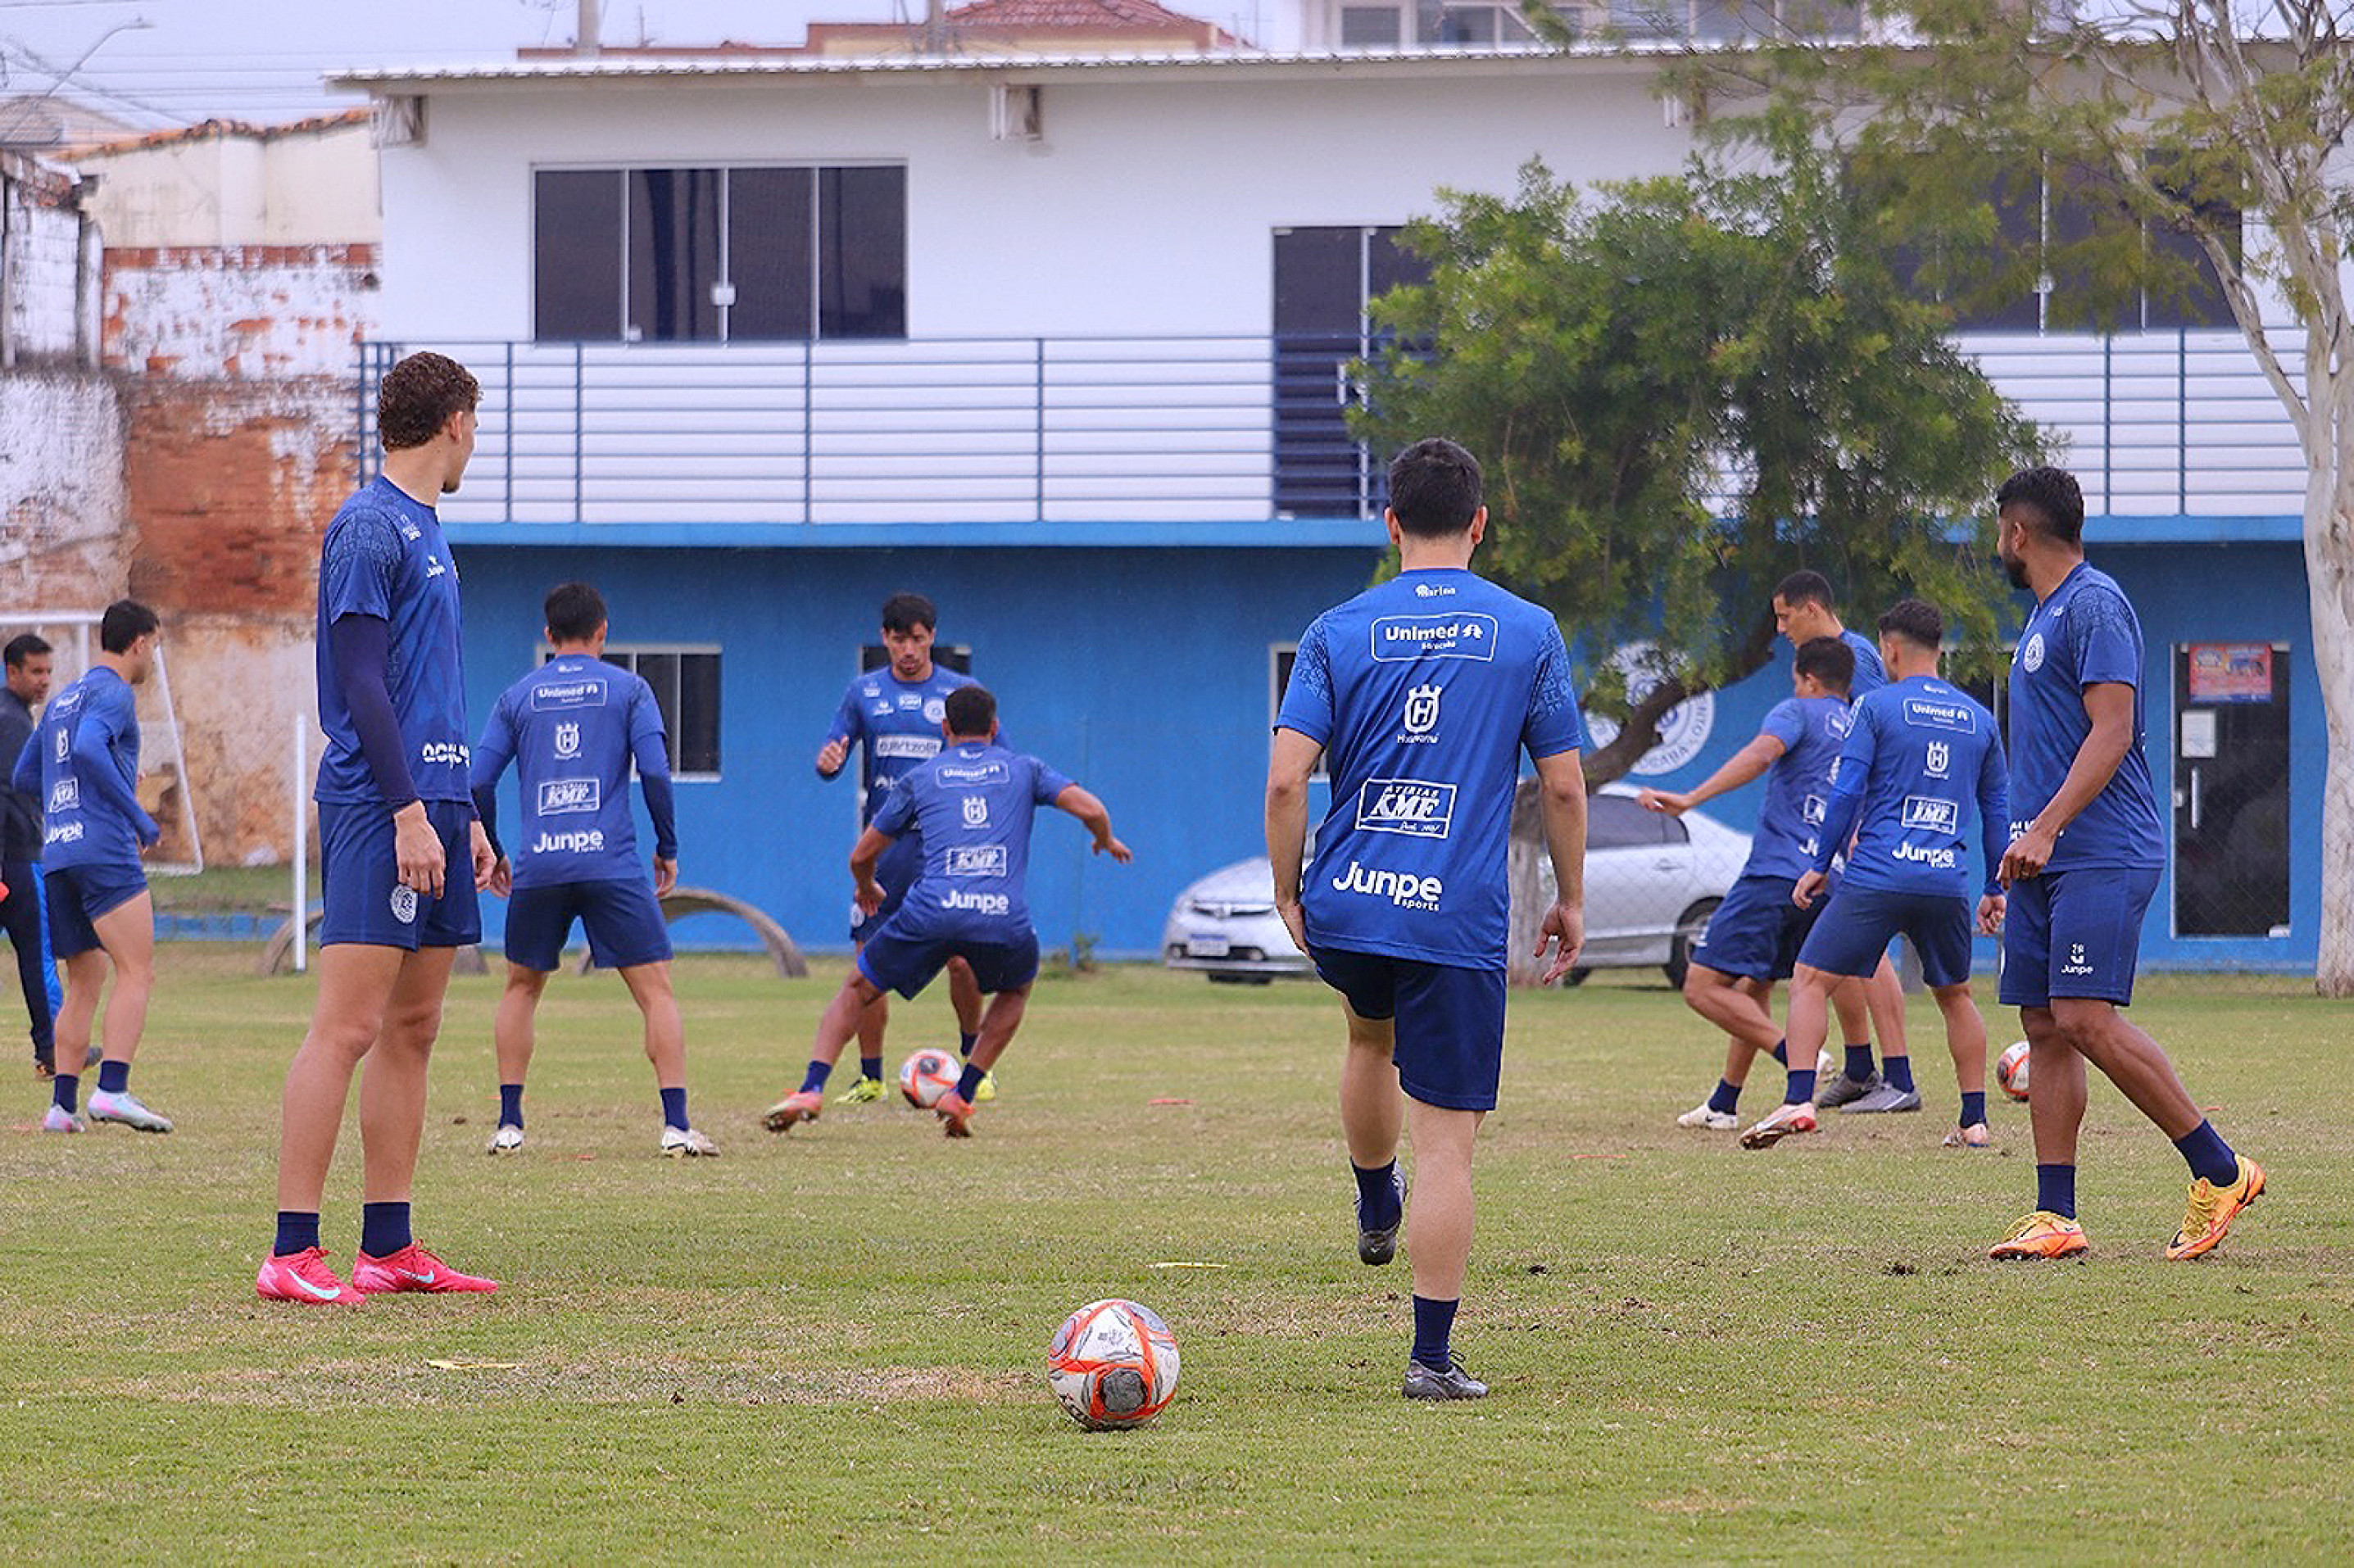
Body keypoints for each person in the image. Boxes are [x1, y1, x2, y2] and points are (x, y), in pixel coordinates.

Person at [1268, 437, 1588, 1403]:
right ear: (1479, 524)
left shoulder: (1335, 629)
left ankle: (1374, 1204)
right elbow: (1564, 789)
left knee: (1369, 1038)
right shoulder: (1527, 630)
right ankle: (1429, 1358)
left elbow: (1288, 777)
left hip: (1351, 899)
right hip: (1452, 914)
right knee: (1445, 1141)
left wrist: (1289, 890)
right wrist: (1570, 900)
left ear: (1391, 523)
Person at [257, 350, 500, 1307]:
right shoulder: (367, 527)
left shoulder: (428, 530)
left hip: (436, 802)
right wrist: (406, 809)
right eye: (475, 422)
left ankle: (388, 1245)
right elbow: (359, 683)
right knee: (347, 1025)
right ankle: (290, 1251)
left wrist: (462, 811)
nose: (477, 439)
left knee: (416, 1025)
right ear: (449, 423)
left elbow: (430, 693)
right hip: (375, 804)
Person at [1985, 466, 2262, 1262]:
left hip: (2099, 849)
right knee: (2042, 1026)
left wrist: (2042, 828)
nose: (1996, 544)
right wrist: (2017, 844)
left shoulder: (2094, 603)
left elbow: (2111, 731)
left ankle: (2219, 1169)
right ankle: (2055, 1216)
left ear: (2016, 532)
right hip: (2043, 856)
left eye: (1997, 531)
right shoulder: (2045, 615)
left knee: (2080, 1018)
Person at [764, 683, 1127, 1137]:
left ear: (944, 728)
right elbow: (1092, 808)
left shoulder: (922, 777)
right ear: (994, 728)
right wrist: (1103, 838)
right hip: (1002, 914)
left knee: (857, 988)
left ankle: (812, 1088)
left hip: (931, 910)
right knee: (1014, 992)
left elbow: (861, 856)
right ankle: (963, 1093)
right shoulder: (1025, 768)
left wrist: (866, 887)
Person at [1738, 600, 2009, 1151]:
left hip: (1878, 875)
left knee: (1809, 978)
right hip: (1944, 880)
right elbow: (1996, 807)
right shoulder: (1978, 719)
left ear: (1888, 648)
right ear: (1937, 649)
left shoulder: (1876, 707)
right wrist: (1994, 887)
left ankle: (1797, 1100)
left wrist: (1818, 864)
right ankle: (1973, 1121)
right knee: (1955, 995)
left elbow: (1845, 792)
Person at [471, 581, 715, 1158]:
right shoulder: (630, 690)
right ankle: (676, 1126)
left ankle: (510, 1126)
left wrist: (498, 849)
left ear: (549, 635)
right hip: (612, 861)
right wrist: (668, 846)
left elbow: (478, 780)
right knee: (656, 993)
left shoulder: (518, 696)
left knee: (521, 987)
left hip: (541, 863)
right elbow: (655, 772)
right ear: (603, 632)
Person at [1640, 638, 1905, 1128]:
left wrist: (1690, 797)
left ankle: (1797, 1056)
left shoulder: (1796, 711)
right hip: (1825, 882)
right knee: (1755, 984)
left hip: (1775, 874)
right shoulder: (1858, 727)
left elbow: (1763, 754)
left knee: (1702, 986)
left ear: (1805, 678)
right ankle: (1724, 1104)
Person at [814, 593, 989, 1104]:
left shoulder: (962, 693)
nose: (908, 648)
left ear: (932, 636)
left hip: (945, 850)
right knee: (869, 964)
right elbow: (833, 753)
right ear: (885, 639)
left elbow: (997, 761)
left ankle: (977, 1066)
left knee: (962, 960)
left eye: (917, 637)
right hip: (886, 851)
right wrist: (828, 762)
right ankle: (871, 1077)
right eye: (897, 638)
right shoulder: (863, 693)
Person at [16, 600, 168, 1134]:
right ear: (140, 642)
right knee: (137, 969)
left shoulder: (62, 700)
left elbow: (24, 778)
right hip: (103, 849)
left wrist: (69, 802)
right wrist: (136, 816)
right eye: (155, 645)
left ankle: (61, 1107)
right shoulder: (114, 692)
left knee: (85, 982)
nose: (154, 657)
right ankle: (113, 1090)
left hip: (58, 852)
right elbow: (88, 749)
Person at [1769, 569, 1916, 1107]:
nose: (1780, 627)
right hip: (1839, 825)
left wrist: (1866, 825)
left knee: (1866, 946)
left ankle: (1899, 1079)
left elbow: (1886, 738)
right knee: (1838, 946)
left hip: (1870, 827)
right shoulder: (1822, 666)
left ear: (1811, 608)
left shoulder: (1856, 661)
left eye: (1785, 615)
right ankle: (1859, 1068)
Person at [0, 632, 59, 1078]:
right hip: (16, 857)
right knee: (37, 952)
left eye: (48, 672)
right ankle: (53, 1046)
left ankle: (51, 1046)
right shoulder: (12, 720)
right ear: (12, 672)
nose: (44, 681)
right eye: (35, 672)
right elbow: (21, 789)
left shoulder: (13, 716)